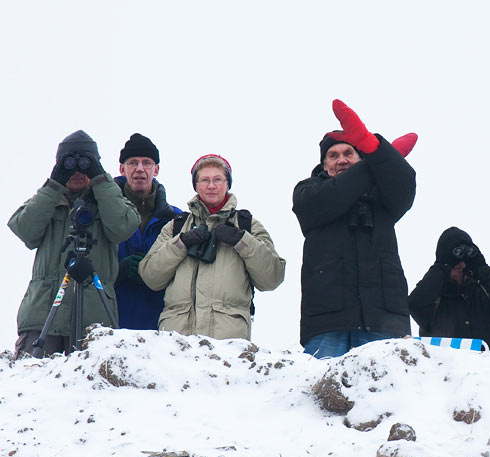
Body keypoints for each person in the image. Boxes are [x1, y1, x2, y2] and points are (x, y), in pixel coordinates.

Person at [293, 99, 417, 358]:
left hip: (384, 319)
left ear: (359, 156)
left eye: (349, 153)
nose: (341, 160)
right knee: (320, 396)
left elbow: (405, 184)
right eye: (334, 155)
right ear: (324, 165)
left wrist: (376, 151)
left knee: (385, 396)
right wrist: (378, 159)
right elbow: (333, 197)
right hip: (328, 323)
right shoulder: (307, 191)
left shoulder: (382, 197)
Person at [8, 130, 140, 357]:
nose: (77, 170)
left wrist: (99, 178)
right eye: (69, 163)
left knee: (93, 389)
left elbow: (123, 227)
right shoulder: (47, 200)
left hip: (94, 319)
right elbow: (24, 229)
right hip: (43, 317)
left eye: (86, 164)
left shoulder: (108, 202)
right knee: (33, 386)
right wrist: (54, 183)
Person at [138, 154, 285, 340]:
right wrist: (181, 243)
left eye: (218, 179)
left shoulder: (248, 225)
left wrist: (242, 241)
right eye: (205, 180)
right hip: (177, 343)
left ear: (227, 184)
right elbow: (151, 277)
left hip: (228, 345)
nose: (211, 186)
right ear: (196, 185)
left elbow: (272, 278)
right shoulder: (176, 226)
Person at [408, 227, 490, 353]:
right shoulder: (435, 296)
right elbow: (414, 305)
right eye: (455, 256)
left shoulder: (486, 291)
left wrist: (482, 268)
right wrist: (440, 269)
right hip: (446, 370)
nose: (461, 264)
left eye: (466, 257)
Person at [113, 133, 182, 330]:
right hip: (110, 325)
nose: (140, 169)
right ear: (122, 169)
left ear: (156, 169)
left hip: (161, 329)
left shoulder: (176, 219)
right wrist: (117, 271)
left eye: (147, 163)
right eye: (133, 162)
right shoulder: (103, 214)